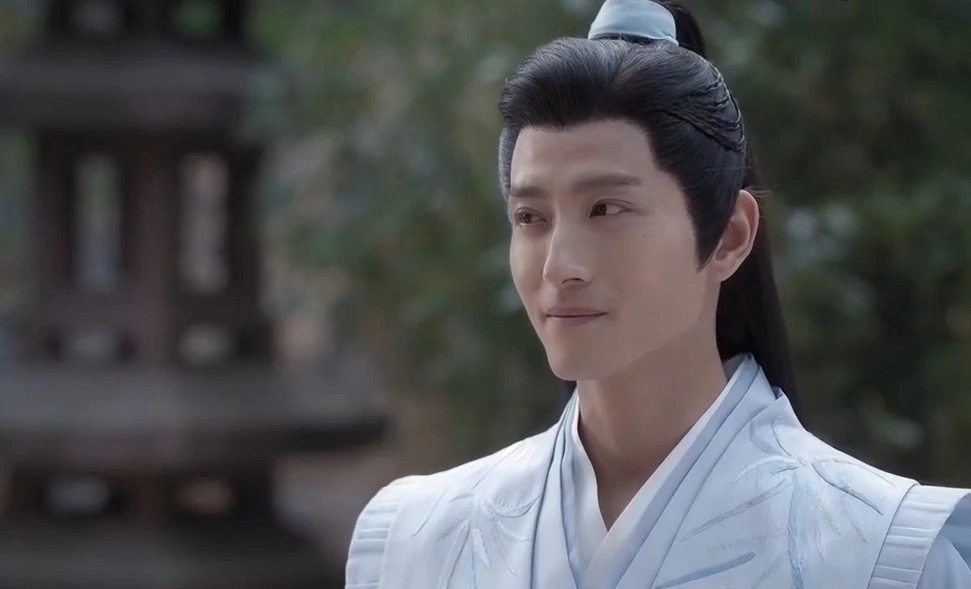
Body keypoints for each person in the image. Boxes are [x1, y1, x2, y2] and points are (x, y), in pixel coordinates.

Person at [345, 1, 971, 587]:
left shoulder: (884, 554)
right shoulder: (416, 544)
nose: (559, 266)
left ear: (729, 235)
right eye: (531, 217)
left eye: (606, 209)